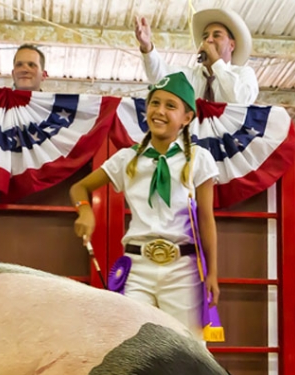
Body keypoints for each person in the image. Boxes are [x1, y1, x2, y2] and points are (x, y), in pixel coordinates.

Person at [69, 72, 219, 342]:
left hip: (183, 270)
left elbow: (206, 219)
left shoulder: (199, 159)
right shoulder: (126, 159)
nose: (159, 111)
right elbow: (79, 188)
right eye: (154, 103)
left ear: (186, 118)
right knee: (132, 345)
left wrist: (212, 273)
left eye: (170, 106)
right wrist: (85, 210)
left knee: (190, 349)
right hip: (137, 268)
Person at [134, 9, 258, 105]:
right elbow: (159, 76)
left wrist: (216, 62)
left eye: (216, 35)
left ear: (232, 45)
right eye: (205, 37)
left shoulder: (243, 73)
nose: (209, 40)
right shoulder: (189, 76)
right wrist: (147, 46)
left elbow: (241, 99)